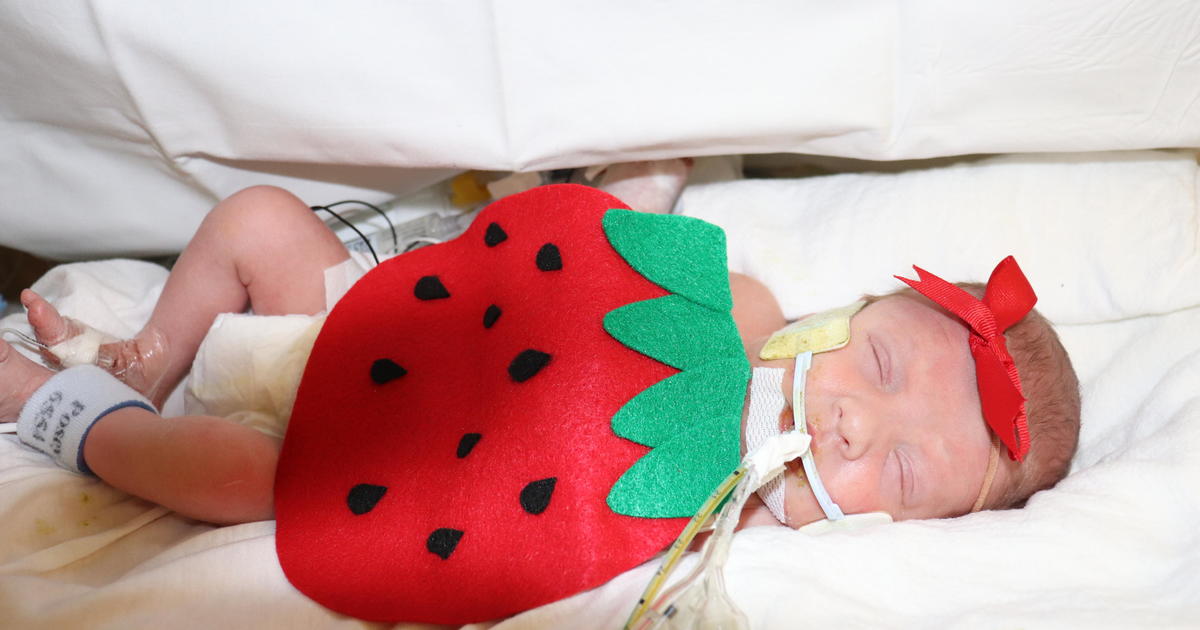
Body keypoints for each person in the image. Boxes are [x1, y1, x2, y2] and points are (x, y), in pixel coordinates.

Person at [0, 162, 1080, 529]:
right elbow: (578, 263)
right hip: (377, 331)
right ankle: (148, 356)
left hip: (383, 461)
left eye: (896, 467)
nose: (850, 419)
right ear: (843, 314)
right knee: (257, 221)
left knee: (255, 482)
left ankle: (62, 414)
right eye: (880, 368)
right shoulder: (744, 310)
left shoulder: (743, 519)